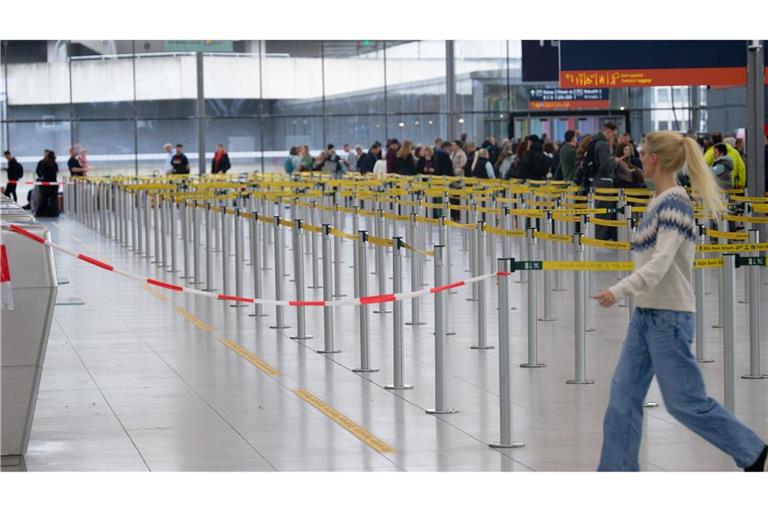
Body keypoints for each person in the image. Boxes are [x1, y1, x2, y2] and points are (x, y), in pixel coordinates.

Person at [593, 131, 768, 472]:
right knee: (622, 398)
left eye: (643, 152)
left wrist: (620, 289)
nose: (638, 156)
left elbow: (660, 263)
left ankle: (752, 451)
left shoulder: (674, 203)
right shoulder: (659, 200)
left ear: (654, 159)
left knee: (684, 402)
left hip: (669, 318)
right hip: (646, 315)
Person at [36, 150, 59, 217]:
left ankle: (41, 213)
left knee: (44, 199)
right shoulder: (55, 164)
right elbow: (56, 172)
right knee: (53, 200)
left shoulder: (44, 163)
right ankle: (53, 213)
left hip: (45, 183)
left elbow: (42, 172)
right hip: (53, 183)